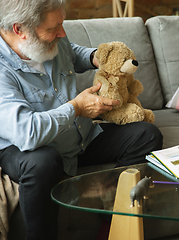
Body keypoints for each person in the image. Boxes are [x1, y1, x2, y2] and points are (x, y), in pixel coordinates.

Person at [0, 0, 163, 239]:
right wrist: (76, 108)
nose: (62, 33)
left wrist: (97, 57)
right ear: (19, 29)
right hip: (27, 148)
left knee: (146, 135)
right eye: (53, 28)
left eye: (62, 24)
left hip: (79, 136)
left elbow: (70, 50)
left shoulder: (54, 38)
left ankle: (112, 222)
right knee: (43, 162)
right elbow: (28, 133)